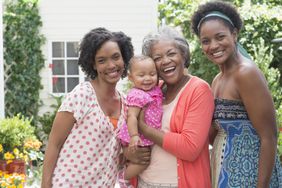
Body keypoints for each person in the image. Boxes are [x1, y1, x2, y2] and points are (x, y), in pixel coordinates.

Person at [41, 27, 149, 187]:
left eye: (116, 57)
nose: (111, 65)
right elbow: (54, 144)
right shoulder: (82, 95)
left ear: (124, 58)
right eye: (102, 60)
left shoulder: (126, 104)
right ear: (93, 64)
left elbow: (114, 153)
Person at [191, 1, 282, 188]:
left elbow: (270, 136)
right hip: (225, 171)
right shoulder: (217, 79)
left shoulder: (246, 73)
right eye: (206, 41)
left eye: (220, 37)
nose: (213, 45)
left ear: (234, 34)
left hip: (250, 175)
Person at [135, 26, 214, 188]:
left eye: (171, 54)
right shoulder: (153, 91)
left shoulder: (198, 89)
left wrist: (144, 129)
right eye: (157, 58)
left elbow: (190, 148)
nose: (165, 61)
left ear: (183, 55)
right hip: (144, 182)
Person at [117, 55, 163, 187]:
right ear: (131, 78)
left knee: (141, 158)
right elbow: (131, 116)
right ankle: (123, 177)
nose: (148, 78)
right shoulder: (137, 95)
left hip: (145, 133)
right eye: (141, 75)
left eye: (152, 74)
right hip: (137, 135)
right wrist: (134, 136)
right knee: (143, 161)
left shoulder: (155, 90)